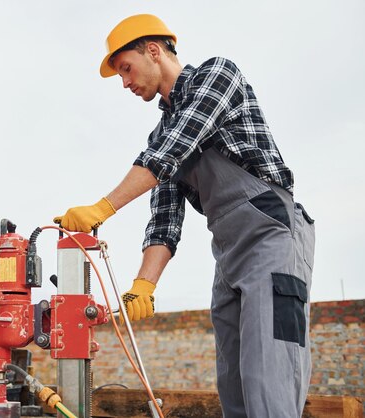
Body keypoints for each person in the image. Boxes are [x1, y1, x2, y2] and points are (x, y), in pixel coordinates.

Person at [53, 14, 316, 418]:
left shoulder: (218, 76)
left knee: (270, 374)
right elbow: (165, 219)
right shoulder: (160, 133)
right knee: (234, 382)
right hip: (229, 252)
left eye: (126, 68)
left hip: (272, 236)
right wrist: (144, 284)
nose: (125, 82)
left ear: (154, 52)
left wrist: (103, 207)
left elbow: (172, 150)